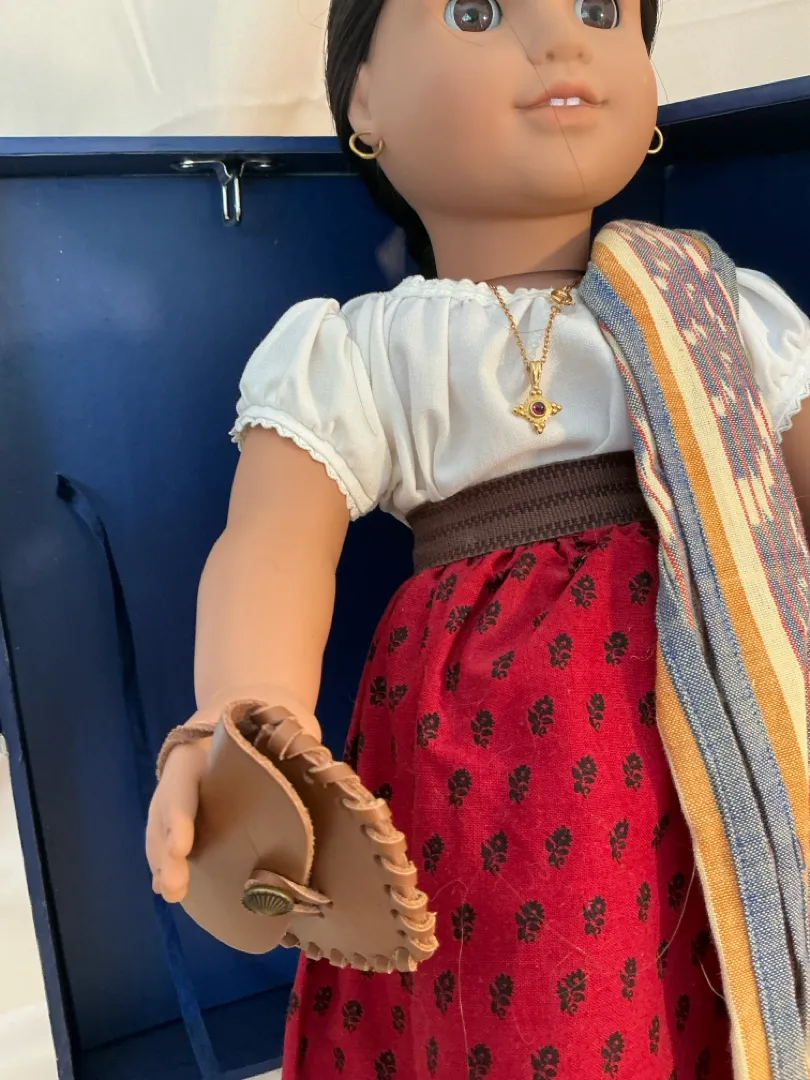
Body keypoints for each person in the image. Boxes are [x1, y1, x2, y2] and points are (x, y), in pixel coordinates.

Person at [147, 1, 810, 1076]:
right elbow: (273, 545)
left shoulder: (723, 309)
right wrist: (235, 722)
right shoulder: (362, 346)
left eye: (602, 9)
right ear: (365, 99)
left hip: (745, 730)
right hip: (506, 770)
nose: (563, 38)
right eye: (477, 10)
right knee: (539, 1012)